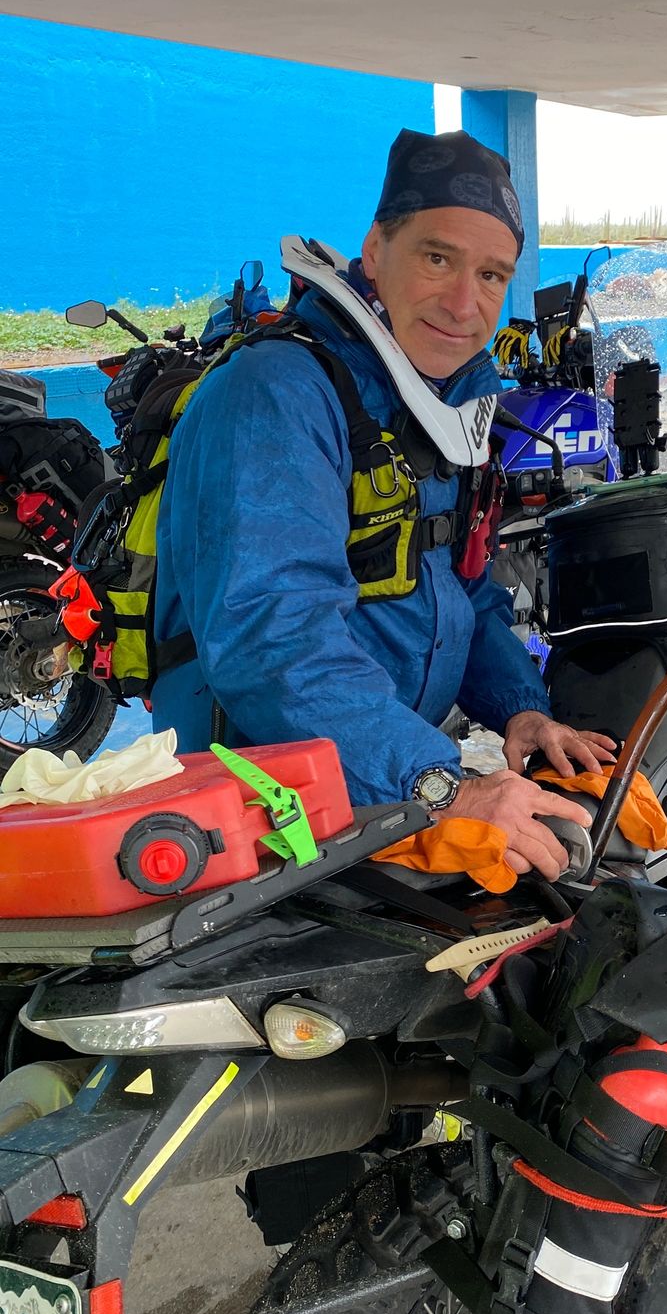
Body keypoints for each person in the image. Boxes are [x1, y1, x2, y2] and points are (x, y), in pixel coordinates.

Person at [152, 129, 612, 879]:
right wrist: (437, 784)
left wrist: (521, 710)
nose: (466, 304)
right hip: (256, 821)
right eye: (438, 258)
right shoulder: (277, 396)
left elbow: (462, 584)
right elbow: (273, 642)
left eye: (493, 275)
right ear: (375, 250)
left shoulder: (446, 399)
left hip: (372, 793)